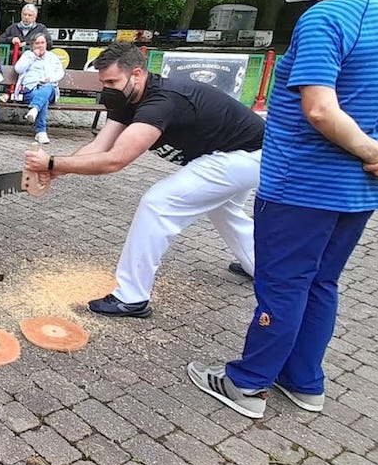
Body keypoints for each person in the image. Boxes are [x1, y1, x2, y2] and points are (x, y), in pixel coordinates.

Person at [189, 0, 378, 419]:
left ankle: (247, 385)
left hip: (301, 184)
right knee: (321, 282)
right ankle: (304, 382)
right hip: (361, 191)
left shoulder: (326, 17)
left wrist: (377, 153)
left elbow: (320, 109)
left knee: (282, 285)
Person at [23, 43, 262, 318]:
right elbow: (100, 146)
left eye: (112, 81)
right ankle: (259, 266)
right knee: (224, 210)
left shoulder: (161, 102)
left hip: (249, 155)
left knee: (158, 204)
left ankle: (131, 297)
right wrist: (57, 168)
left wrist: (53, 163)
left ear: (137, 74)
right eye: (103, 82)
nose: (107, 89)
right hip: (231, 152)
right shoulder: (128, 98)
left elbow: (115, 160)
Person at [14, 34, 64, 144]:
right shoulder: (28, 55)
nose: (40, 45)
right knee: (43, 100)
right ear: (32, 45)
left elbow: (60, 73)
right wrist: (33, 56)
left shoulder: (52, 57)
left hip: (49, 89)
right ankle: (40, 132)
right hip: (30, 90)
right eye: (37, 43)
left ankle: (35, 109)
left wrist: (50, 79)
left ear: (46, 44)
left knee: (47, 88)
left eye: (42, 43)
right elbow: (18, 69)